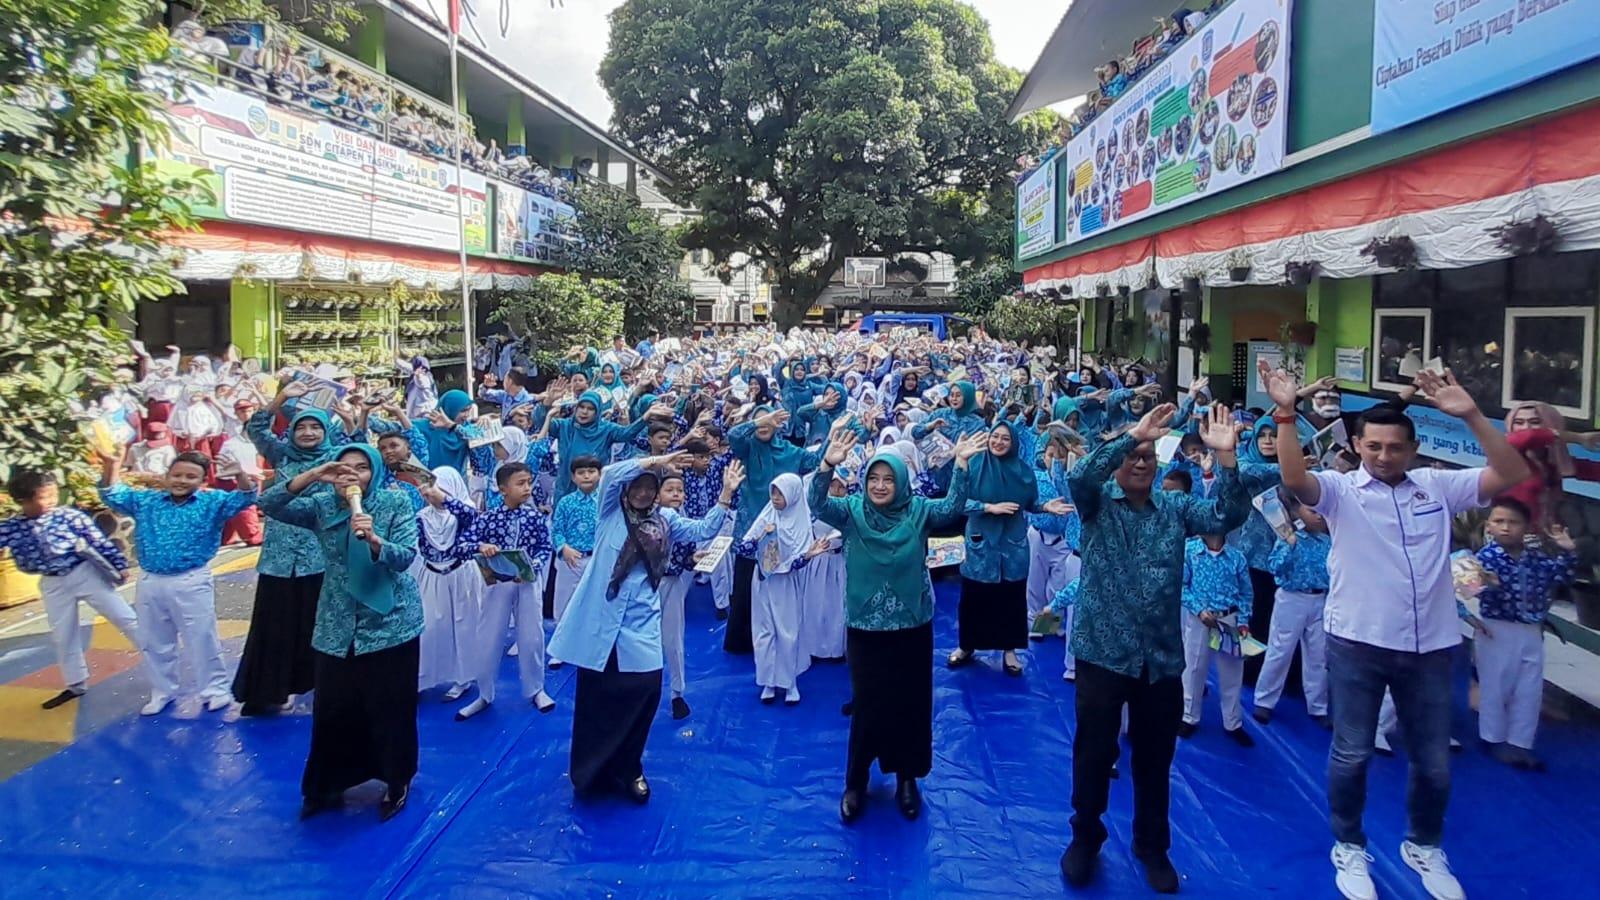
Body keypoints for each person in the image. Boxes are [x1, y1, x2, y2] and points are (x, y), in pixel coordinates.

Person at [1265, 363, 1528, 900]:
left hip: (1430, 648)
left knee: (1432, 762)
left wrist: (1474, 415)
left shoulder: (1438, 488)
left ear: (1413, 450)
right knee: (1353, 753)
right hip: (1358, 642)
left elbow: (1510, 474)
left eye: (1396, 447)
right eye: (1375, 446)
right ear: (1358, 446)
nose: (1385, 456)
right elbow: (1294, 480)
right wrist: (1287, 413)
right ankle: (1349, 845)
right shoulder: (1341, 492)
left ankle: (1424, 846)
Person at [1059, 402, 1247, 894]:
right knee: (1095, 752)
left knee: (1154, 758)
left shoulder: (1178, 509)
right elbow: (1080, 475)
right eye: (1132, 456)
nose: (1140, 462)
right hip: (1102, 654)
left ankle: (1152, 845)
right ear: (1119, 460)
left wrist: (1226, 461)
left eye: (1148, 456)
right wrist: (1130, 435)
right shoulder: (1097, 503)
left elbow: (1228, 512)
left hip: (1159, 658)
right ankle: (1085, 836)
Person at [808, 427, 988, 824]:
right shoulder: (852, 512)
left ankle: (908, 779)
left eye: (889, 479)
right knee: (868, 705)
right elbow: (817, 504)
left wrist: (959, 465)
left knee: (910, 704)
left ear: (902, 482)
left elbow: (952, 508)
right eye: (874, 477)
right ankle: (855, 782)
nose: (880, 485)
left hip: (911, 625)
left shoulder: (919, 511)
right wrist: (826, 466)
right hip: (866, 627)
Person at [547, 453, 741, 803]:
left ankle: (630, 767)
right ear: (625, 490)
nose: (641, 492)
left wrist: (725, 494)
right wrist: (659, 460)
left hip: (641, 624)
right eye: (636, 486)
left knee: (646, 692)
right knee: (598, 699)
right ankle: (592, 771)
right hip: (601, 624)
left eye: (649, 487)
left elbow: (703, 530)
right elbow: (611, 473)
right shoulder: (609, 513)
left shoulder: (665, 520)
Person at [259, 444, 424, 822]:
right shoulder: (319, 506)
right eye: (343, 469)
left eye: (362, 469)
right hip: (337, 622)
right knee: (333, 706)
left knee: (391, 706)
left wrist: (376, 540)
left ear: (376, 472)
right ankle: (326, 784)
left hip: (390, 623)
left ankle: (396, 779)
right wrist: (316, 474)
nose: (351, 476)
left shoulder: (395, 503)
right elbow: (271, 504)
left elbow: (405, 557)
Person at [98, 450, 258, 717]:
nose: (182, 480)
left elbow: (246, 497)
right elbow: (111, 494)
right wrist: (111, 466)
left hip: (191, 579)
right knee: (155, 640)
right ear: (166, 476)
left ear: (202, 481)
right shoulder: (146, 501)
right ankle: (162, 691)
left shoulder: (212, 502)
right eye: (177, 474)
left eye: (191, 476)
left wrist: (240, 474)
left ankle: (215, 690)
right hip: (151, 580)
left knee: (201, 636)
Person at [0, 470, 140, 710]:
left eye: (55, 495)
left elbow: (97, 540)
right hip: (52, 582)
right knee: (63, 634)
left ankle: (163, 661)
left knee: (124, 617)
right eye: (45, 497)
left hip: (83, 572)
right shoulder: (11, 527)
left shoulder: (68, 517)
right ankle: (76, 683)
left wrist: (119, 565)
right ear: (24, 501)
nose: (53, 501)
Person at [235, 391, 337, 716]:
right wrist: (279, 399)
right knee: (272, 627)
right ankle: (268, 693)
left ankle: (322, 688)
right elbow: (257, 429)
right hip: (278, 560)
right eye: (301, 427)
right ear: (291, 432)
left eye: (315, 428)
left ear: (325, 431)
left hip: (318, 558)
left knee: (320, 625)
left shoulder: (335, 457)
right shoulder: (282, 455)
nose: (308, 433)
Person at [950, 421, 1070, 675]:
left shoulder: (1025, 472)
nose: (999, 442)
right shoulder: (974, 465)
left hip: (1016, 545)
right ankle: (967, 645)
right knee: (975, 597)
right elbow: (956, 501)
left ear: (1014, 443)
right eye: (995, 437)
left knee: (1017, 597)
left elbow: (1031, 502)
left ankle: (1018, 646)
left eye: (1006, 439)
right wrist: (987, 508)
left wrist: (1045, 506)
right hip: (985, 544)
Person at [1472, 497, 1576, 770]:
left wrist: (1568, 551)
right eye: (1499, 521)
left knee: (1529, 689)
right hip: (1496, 629)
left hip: (1530, 630)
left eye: (1513, 522)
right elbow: (1468, 587)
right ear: (1489, 526)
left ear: (1527, 527)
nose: (1506, 528)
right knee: (1495, 686)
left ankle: (1520, 742)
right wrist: (1482, 584)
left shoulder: (1537, 557)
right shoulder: (1485, 558)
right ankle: (1493, 738)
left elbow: (1559, 578)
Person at [455, 462, 557, 720]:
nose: (527, 488)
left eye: (529, 482)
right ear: (502, 489)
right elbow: (462, 545)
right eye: (520, 483)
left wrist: (531, 566)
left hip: (527, 583)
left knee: (532, 637)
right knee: (488, 638)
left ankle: (536, 689)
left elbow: (545, 548)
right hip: (497, 584)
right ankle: (484, 693)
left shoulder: (535, 517)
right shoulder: (488, 518)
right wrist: (482, 546)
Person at [725, 408, 822, 654]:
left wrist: (838, 430)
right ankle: (743, 643)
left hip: (783, 535)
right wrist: (759, 420)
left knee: (780, 589)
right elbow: (733, 435)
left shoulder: (791, 452)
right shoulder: (748, 448)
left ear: (779, 425)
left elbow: (819, 461)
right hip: (751, 530)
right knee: (746, 587)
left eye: (770, 419)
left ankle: (782, 643)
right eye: (760, 421)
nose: (764, 425)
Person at [737, 473, 824, 705]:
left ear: (793, 495)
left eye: (780, 493)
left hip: (785, 582)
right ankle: (768, 680)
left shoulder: (800, 520)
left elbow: (799, 558)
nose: (775, 497)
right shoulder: (768, 515)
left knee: (787, 631)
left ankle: (789, 682)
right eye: (773, 492)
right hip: (763, 580)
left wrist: (807, 556)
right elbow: (744, 547)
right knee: (764, 631)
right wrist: (759, 539)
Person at [1254, 502, 1333, 727]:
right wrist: (1289, 546)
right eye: (1312, 512)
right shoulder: (1290, 538)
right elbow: (1275, 567)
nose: (1318, 517)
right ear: (1299, 512)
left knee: (1318, 655)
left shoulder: (1329, 542)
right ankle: (1264, 701)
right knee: (1281, 649)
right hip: (1292, 597)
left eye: (1321, 513)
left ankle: (1318, 706)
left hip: (1321, 598)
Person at [1178, 533, 1255, 746]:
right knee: (1193, 668)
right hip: (1200, 620)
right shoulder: (1190, 552)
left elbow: (1246, 594)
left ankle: (1233, 722)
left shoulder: (1237, 557)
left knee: (1231, 672)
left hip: (1228, 620)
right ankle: (1188, 716)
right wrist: (1199, 610)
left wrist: (1243, 621)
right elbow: (1181, 585)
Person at [414, 467, 482, 699]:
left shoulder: (466, 510)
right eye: (430, 489)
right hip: (432, 576)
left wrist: (445, 499)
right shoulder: (421, 516)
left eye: (440, 489)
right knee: (429, 627)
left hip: (461, 574)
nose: (433, 495)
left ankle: (463, 678)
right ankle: (423, 678)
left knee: (464, 625)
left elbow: (473, 519)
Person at [551, 455, 604, 631]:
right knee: (564, 602)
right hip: (569, 560)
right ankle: (560, 647)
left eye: (591, 472)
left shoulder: (605, 502)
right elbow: (557, 529)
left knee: (595, 603)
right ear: (574, 477)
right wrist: (563, 547)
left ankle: (590, 647)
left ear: (600, 474)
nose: (586, 476)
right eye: (581, 473)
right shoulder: (566, 502)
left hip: (596, 559)